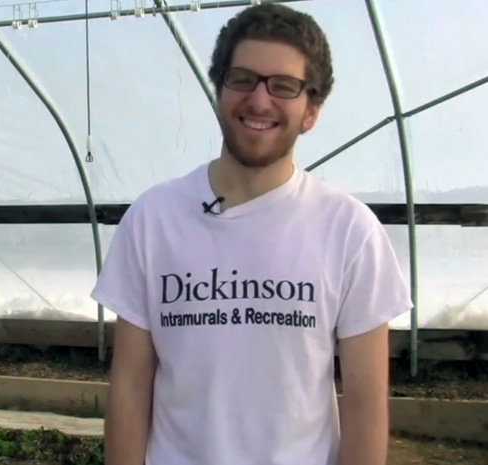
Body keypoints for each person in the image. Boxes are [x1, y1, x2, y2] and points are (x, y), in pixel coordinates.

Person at [90, 3, 413, 465]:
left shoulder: (349, 231)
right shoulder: (153, 219)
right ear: (219, 88)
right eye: (242, 79)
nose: (259, 101)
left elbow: (364, 404)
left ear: (312, 110)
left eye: (284, 87)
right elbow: (130, 386)